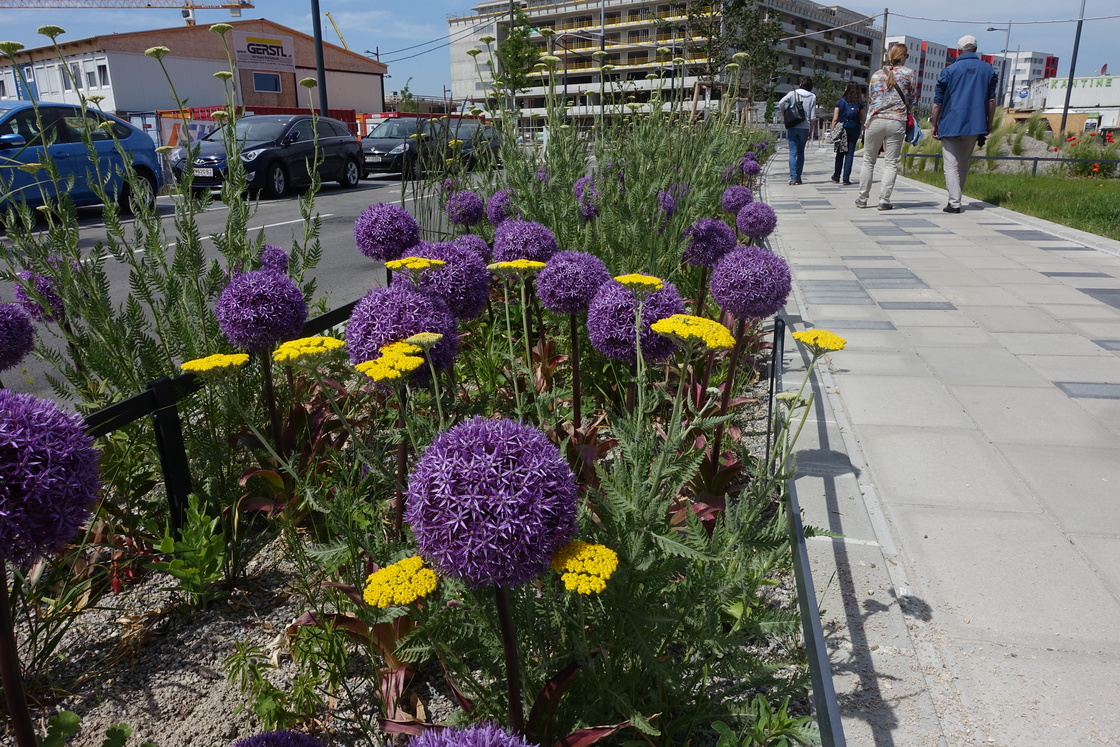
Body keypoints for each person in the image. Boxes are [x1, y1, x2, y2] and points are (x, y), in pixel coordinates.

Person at [932, 35, 998, 213]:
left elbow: (938, 101)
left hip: (950, 121)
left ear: (959, 50)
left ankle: (954, 202)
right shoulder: (988, 70)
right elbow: (991, 100)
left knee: (950, 164)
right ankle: (956, 199)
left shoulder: (949, 70)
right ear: (975, 50)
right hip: (975, 123)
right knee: (963, 162)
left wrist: (934, 124)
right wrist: (989, 123)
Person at [855, 43, 915, 210]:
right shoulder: (909, 73)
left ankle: (862, 198)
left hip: (875, 120)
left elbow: (870, 99)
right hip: (896, 121)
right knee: (890, 163)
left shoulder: (876, 74)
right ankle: (884, 201)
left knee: (868, 160)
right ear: (903, 57)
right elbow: (912, 99)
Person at [778, 77, 817, 185]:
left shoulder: (792, 93)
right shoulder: (812, 97)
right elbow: (813, 117)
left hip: (792, 126)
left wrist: (784, 113)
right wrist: (811, 131)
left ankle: (793, 178)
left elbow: (781, 102)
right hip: (804, 128)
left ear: (801, 84)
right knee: (801, 152)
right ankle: (799, 177)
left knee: (792, 153)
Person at [831, 81, 866, 185]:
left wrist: (833, 131)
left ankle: (836, 176)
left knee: (840, 153)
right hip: (854, 128)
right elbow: (863, 118)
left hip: (842, 129)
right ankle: (846, 179)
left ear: (847, 89)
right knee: (850, 153)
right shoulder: (859, 103)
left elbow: (835, 119)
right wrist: (864, 131)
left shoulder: (840, 102)